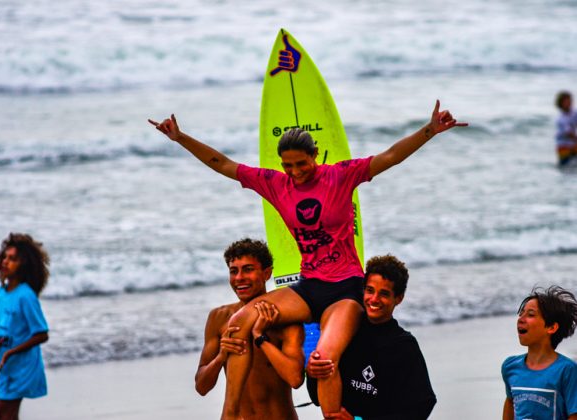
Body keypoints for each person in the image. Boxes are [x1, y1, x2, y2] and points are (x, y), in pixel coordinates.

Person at [149, 100, 466, 419]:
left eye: (301, 164)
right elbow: (223, 164)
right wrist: (180, 137)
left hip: (345, 289)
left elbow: (390, 156)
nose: (296, 172)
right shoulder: (275, 184)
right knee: (238, 323)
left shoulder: (340, 176)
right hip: (309, 286)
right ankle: (229, 416)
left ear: (314, 155)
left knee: (324, 358)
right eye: (288, 165)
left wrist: (430, 130)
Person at [306, 254, 436, 420]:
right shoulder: (346, 334)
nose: (374, 299)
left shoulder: (403, 345)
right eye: (369, 290)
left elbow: (422, 405)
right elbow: (316, 398)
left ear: (398, 298)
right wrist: (312, 373)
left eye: (384, 294)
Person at [195, 238, 305, 419]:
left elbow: (295, 379)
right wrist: (221, 357)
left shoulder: (284, 319)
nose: (239, 278)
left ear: (266, 273)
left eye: (248, 269)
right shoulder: (219, 318)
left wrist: (260, 337)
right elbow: (201, 386)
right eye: (233, 271)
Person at [0, 233, 50, 420]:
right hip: (7, 367)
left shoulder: (26, 296)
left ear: (23, 265)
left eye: (12, 259)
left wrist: (10, 352)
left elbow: (42, 334)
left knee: (3, 415)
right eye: (5, 257)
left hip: (23, 367)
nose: (5, 262)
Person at [501, 285, 577, 420]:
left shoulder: (567, 370)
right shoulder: (510, 366)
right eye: (521, 313)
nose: (521, 319)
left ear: (552, 327)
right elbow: (510, 402)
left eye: (530, 314)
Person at [555, 91, 577, 166]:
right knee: (565, 168)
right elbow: (569, 133)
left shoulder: (574, 113)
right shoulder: (560, 119)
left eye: (569, 101)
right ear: (560, 104)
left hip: (573, 145)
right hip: (563, 146)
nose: (568, 103)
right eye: (565, 101)